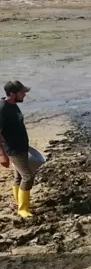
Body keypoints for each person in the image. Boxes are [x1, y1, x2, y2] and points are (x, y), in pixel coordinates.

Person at [0, 81, 33, 217]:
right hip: (13, 149)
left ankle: (18, 200)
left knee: (19, 175)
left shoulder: (14, 105)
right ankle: (23, 209)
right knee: (28, 177)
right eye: (22, 92)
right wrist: (2, 155)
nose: (25, 95)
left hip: (21, 146)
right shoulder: (2, 108)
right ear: (13, 94)